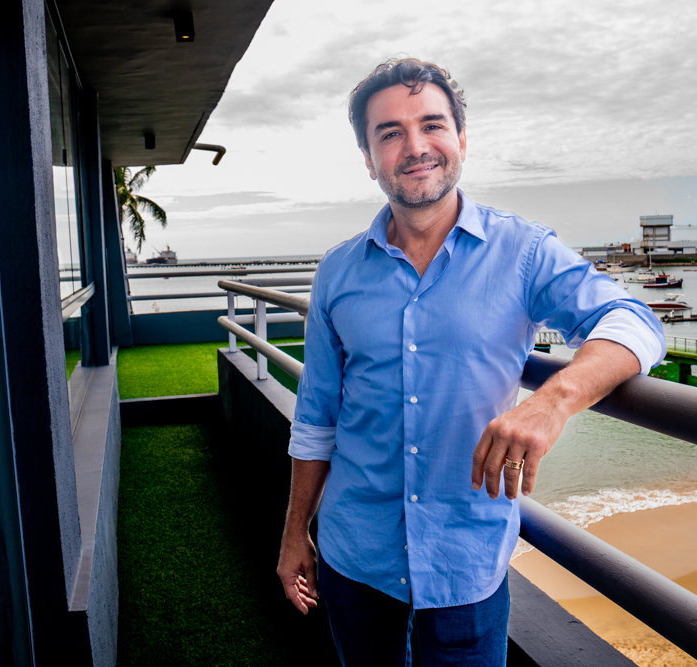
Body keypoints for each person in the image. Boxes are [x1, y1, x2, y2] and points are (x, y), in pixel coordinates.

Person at [276, 58, 665, 666]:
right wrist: (294, 531)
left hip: (466, 561)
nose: (415, 147)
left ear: (461, 138)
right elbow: (316, 417)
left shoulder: (525, 251)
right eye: (390, 133)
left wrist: (551, 403)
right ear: (369, 158)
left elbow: (635, 321)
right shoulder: (338, 271)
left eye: (432, 125)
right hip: (354, 555)